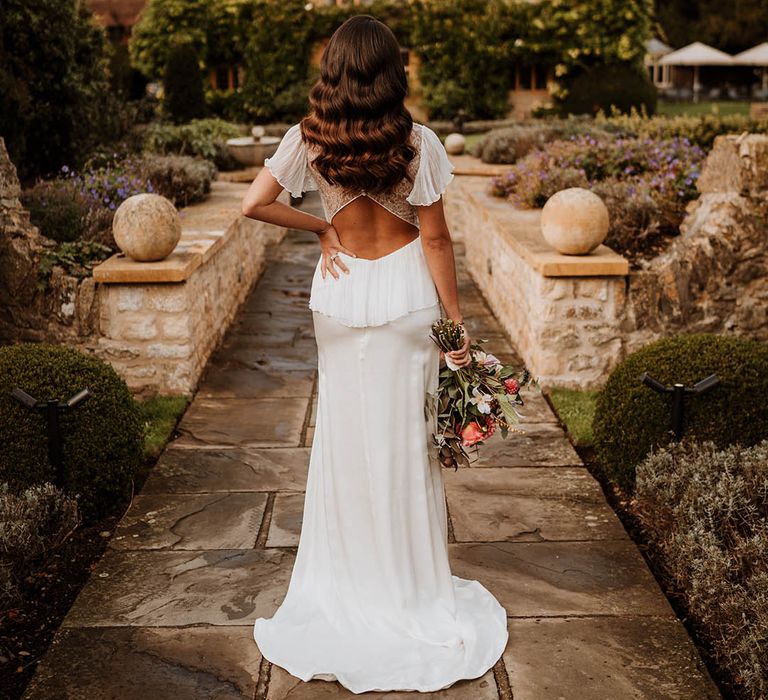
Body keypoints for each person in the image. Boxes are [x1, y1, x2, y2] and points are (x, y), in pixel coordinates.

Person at [240, 14, 508, 694]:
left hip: (339, 297)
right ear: (392, 69)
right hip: (405, 298)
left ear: (333, 67)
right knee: (404, 446)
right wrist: (457, 322)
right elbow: (438, 239)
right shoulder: (416, 141)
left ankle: (344, 585)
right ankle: (407, 589)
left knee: (343, 443)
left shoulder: (309, 136)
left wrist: (320, 224)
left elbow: (254, 204)